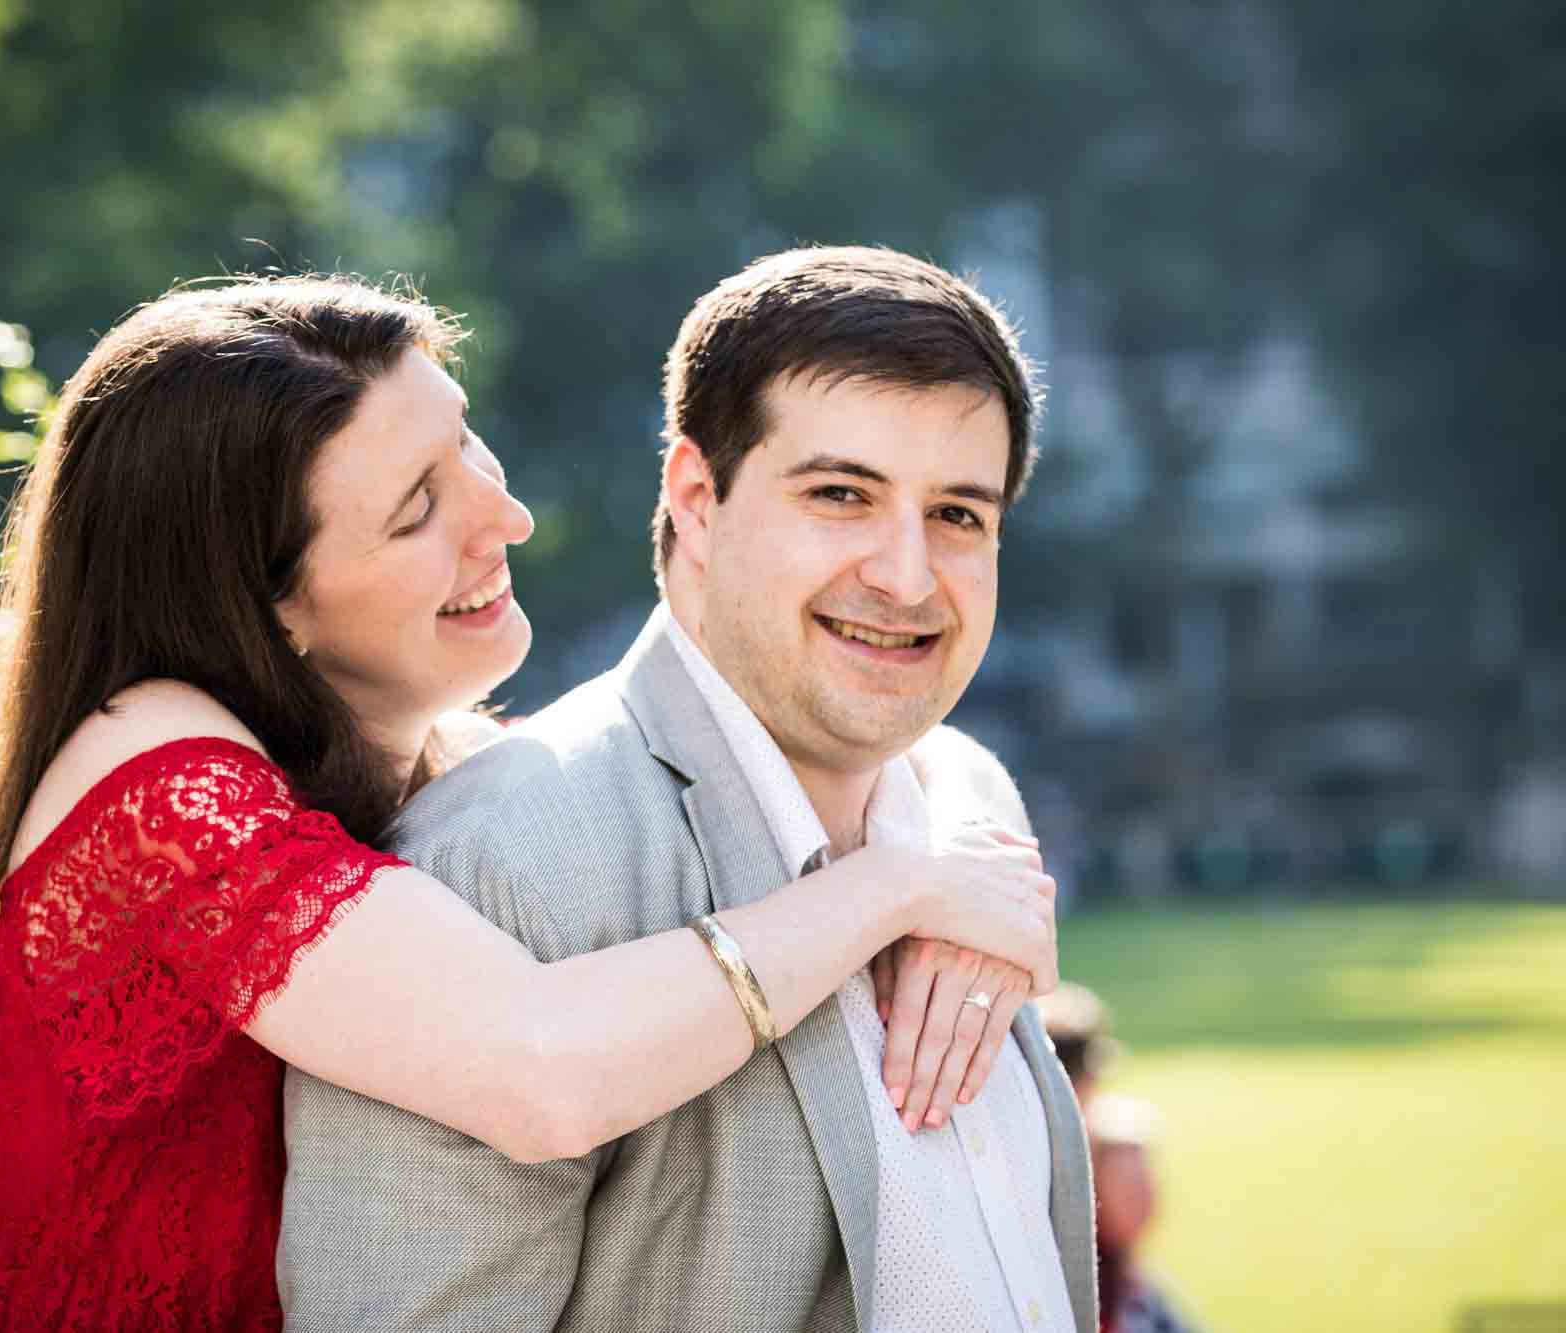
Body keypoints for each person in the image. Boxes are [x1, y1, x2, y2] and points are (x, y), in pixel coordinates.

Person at [0, 276, 1063, 1331]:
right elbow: (544, 1070)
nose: (501, 520)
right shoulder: (154, 782)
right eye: (417, 507)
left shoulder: (422, 761)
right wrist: (895, 886)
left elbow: (804, 733)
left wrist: (951, 825)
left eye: (467, 448)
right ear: (265, 607)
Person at [280, 246, 1098, 1332]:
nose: (907, 577)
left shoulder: (958, 805)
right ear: (697, 499)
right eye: (840, 494)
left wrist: (949, 859)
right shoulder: (498, 867)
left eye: (956, 514)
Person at [1088, 1095, 1202, 1333]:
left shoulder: (1138, 1287)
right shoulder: (1085, 1288)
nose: (1143, 1196)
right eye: (1126, 1181)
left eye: (1144, 1178)